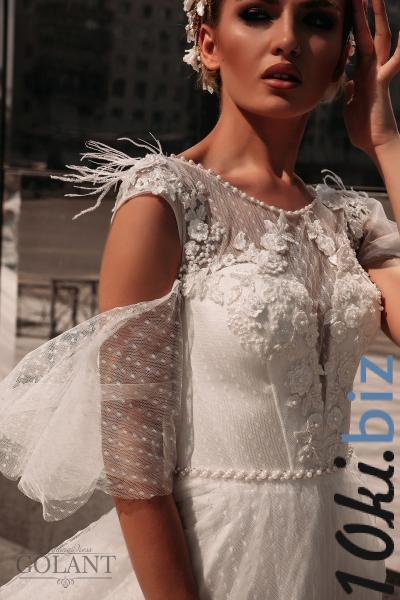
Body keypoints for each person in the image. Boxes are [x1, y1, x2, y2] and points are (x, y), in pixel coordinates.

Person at [0, 0, 400, 598]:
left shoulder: (350, 222)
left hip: (324, 554)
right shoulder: (164, 201)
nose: (287, 40)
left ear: (345, 57)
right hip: (205, 564)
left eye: (317, 20)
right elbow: (134, 467)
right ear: (209, 43)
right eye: (258, 13)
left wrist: (386, 141)